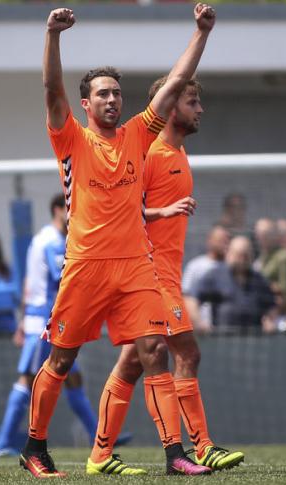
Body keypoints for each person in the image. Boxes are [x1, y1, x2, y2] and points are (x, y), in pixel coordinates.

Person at [20, 4, 216, 478]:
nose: (112, 100)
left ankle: (175, 456)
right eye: (102, 94)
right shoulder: (70, 138)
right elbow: (50, 89)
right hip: (85, 266)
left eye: (116, 93)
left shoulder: (137, 135)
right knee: (62, 359)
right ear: (85, 105)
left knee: (156, 350)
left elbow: (172, 86)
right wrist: (52, 35)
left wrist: (201, 32)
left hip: (133, 265)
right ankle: (34, 449)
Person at [86, 77, 244, 476]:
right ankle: (201, 447)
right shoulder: (151, 152)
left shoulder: (178, 151)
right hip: (149, 274)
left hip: (165, 274)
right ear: (171, 106)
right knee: (187, 353)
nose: (200, 109)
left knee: (133, 364)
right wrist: (163, 211)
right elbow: (120, 210)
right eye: (192, 102)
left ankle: (100, 455)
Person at [0, 195, 115, 456]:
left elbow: (29, 283)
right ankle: (2, 442)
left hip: (49, 319)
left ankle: (99, 439)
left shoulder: (46, 239)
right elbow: (63, 277)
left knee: (73, 379)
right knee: (28, 379)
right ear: (59, 210)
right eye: (73, 210)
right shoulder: (52, 240)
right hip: (45, 322)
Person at [195, 236, 277, 331]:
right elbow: (192, 299)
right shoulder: (215, 275)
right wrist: (199, 322)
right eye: (238, 255)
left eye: (245, 256)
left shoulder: (259, 280)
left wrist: (269, 321)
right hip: (222, 340)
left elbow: (271, 306)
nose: (242, 260)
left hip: (253, 341)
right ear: (229, 254)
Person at [182, 224, 230, 332]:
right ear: (210, 240)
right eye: (220, 240)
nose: (224, 244)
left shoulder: (230, 267)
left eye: (227, 240)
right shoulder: (196, 266)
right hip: (200, 328)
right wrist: (198, 322)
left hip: (225, 328)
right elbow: (186, 295)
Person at [254, 218, 286, 330]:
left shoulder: (283, 257)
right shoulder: (262, 258)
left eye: (265, 235)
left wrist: (267, 286)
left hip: (279, 317)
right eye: (259, 234)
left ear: (274, 236)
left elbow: (285, 291)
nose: (261, 238)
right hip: (261, 314)